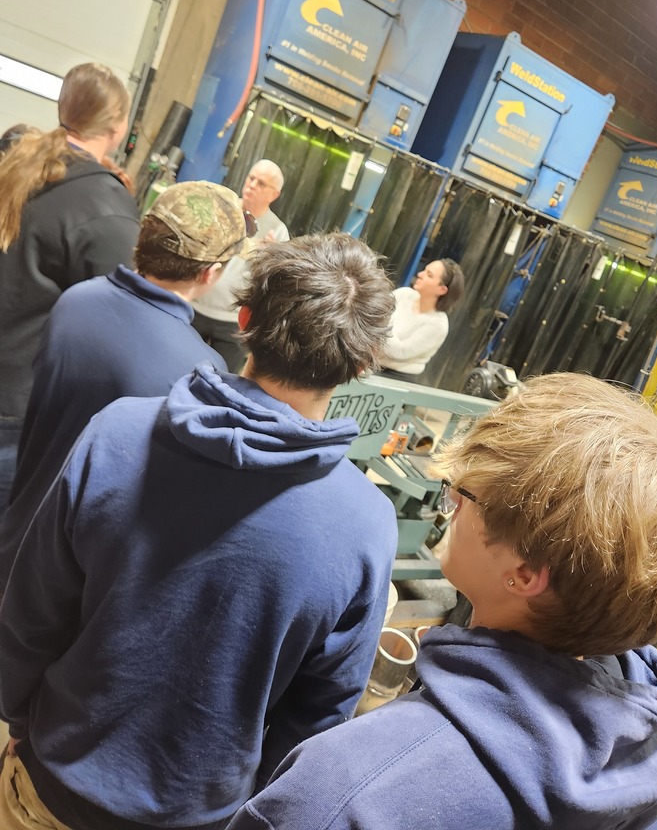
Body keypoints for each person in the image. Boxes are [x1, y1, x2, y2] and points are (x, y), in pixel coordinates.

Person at [0, 232, 399, 830]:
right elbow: (319, 717)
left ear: (244, 319)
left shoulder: (118, 432)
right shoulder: (365, 525)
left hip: (50, 787)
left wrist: (21, 725)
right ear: (363, 362)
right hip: (198, 814)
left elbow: (30, 616)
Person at [226, 373, 657, 830]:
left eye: (463, 494)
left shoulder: (342, 792)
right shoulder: (634, 751)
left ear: (525, 574)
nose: (452, 504)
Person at [0, 179, 247, 589]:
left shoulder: (76, 300)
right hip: (70, 582)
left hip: (17, 531)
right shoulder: (199, 370)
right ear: (211, 273)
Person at [0, 63, 139, 506]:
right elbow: (114, 328)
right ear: (118, 127)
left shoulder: (15, 156)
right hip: (16, 410)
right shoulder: (106, 208)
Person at [193, 159, 289, 370]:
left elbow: (276, 286)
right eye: (251, 178)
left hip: (233, 321)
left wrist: (271, 258)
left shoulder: (278, 232)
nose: (252, 185)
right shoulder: (222, 208)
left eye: (261, 183)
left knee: (219, 382)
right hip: (196, 308)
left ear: (274, 195)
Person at [379, 257, 464, 378]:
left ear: (442, 289)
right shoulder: (404, 294)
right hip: (370, 363)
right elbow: (373, 313)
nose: (420, 274)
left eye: (429, 275)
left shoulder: (437, 325)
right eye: (424, 270)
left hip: (395, 376)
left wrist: (379, 327)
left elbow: (398, 351)